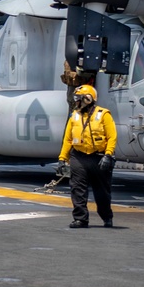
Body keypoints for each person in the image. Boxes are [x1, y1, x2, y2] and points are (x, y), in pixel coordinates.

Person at [57, 84, 117, 229]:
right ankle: (80, 219)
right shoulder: (74, 116)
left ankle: (106, 216)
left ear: (88, 99)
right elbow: (68, 139)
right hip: (79, 157)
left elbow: (112, 136)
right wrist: (62, 158)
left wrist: (108, 155)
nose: (76, 102)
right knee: (77, 188)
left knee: (102, 191)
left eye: (79, 99)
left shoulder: (103, 115)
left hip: (99, 157)